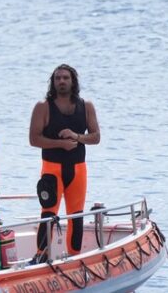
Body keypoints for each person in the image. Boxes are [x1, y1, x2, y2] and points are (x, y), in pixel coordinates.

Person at [28, 64, 100, 259]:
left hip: (78, 169)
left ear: (73, 81)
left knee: (76, 215)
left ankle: (75, 256)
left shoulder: (86, 106)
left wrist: (76, 136)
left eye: (65, 78)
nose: (61, 81)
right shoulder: (43, 106)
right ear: (53, 82)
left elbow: (95, 137)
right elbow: (34, 139)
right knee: (48, 214)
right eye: (58, 78)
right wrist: (61, 144)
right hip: (52, 169)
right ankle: (41, 255)